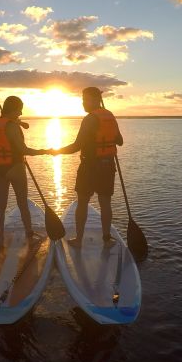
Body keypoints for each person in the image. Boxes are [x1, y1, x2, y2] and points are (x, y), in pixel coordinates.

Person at [52, 87, 123, 247]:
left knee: (82, 202)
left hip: (90, 166)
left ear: (94, 100)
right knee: (105, 203)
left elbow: (77, 146)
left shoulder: (90, 119)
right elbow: (120, 141)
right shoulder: (110, 116)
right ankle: (106, 240)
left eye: (85, 99)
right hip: (108, 165)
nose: (83, 103)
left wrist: (56, 151)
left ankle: (79, 240)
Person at [0, 96, 50, 250]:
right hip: (15, 167)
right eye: (19, 109)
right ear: (13, 109)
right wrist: (44, 151)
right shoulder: (12, 126)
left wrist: (17, 122)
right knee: (22, 203)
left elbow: (11, 129)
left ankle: (1, 240)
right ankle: (29, 234)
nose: (21, 112)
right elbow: (23, 149)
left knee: (0, 205)